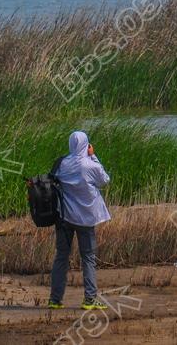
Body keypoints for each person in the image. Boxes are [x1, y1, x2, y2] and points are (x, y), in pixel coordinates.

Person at [48, 130, 111, 310]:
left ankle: (55, 300)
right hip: (85, 219)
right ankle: (89, 299)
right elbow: (105, 180)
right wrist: (94, 156)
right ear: (86, 144)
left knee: (61, 257)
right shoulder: (90, 165)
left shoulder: (62, 164)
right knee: (88, 258)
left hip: (65, 217)